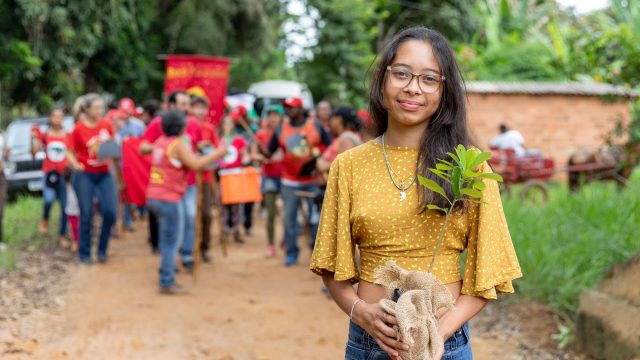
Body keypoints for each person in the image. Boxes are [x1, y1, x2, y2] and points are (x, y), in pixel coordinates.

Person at [310, 27, 522, 360]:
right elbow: (331, 269)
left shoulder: (468, 168)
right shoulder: (349, 165)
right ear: (383, 79)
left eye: (429, 79)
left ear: (444, 90)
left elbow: (488, 276)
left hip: (443, 346)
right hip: (370, 343)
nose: (413, 88)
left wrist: (440, 331)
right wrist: (359, 312)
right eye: (402, 74)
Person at [146, 110, 227, 294]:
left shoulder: (160, 142)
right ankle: (166, 280)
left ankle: (165, 271)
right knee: (171, 241)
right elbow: (196, 165)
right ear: (182, 127)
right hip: (169, 198)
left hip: (154, 196)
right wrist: (220, 152)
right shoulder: (178, 144)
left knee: (167, 239)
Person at [259, 96, 332, 266]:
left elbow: (330, 146)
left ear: (300, 109)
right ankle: (291, 252)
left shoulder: (315, 125)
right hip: (289, 181)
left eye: (292, 107)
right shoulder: (280, 129)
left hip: (313, 180)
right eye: (286, 107)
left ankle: (316, 252)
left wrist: (319, 159)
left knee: (316, 218)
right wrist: (262, 152)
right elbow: (270, 152)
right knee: (289, 219)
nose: (288, 110)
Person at [140, 90, 202, 270]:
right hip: (168, 186)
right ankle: (169, 264)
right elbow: (143, 147)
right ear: (172, 105)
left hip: (188, 183)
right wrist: (165, 149)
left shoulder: (192, 124)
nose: (187, 108)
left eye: (188, 104)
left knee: (189, 217)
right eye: (183, 104)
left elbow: (196, 148)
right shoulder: (160, 124)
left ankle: (187, 255)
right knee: (172, 226)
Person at [67, 93, 119, 264]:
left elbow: (111, 148)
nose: (100, 110)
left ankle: (102, 250)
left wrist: (112, 152)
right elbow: (70, 151)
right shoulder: (78, 129)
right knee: (87, 213)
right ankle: (85, 253)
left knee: (110, 211)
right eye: (96, 107)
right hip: (85, 175)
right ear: (87, 110)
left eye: (101, 107)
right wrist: (75, 164)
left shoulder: (106, 125)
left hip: (104, 174)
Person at [32, 107, 71, 247]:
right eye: (55, 116)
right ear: (50, 118)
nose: (57, 119)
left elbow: (71, 153)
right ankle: (45, 219)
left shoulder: (68, 135)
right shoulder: (46, 135)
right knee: (48, 200)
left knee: (65, 206)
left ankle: (62, 234)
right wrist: (35, 139)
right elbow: (34, 152)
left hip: (63, 175)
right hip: (49, 174)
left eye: (60, 116)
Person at [252, 104, 285, 257]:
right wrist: (262, 158)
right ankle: (271, 244)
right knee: (271, 212)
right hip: (269, 176)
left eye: (276, 115)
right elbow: (253, 154)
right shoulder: (260, 134)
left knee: (287, 213)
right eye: (270, 115)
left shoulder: (286, 132)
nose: (273, 118)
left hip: (286, 176)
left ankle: (286, 239)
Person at [190, 95, 219, 263]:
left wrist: (208, 147)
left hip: (206, 176)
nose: (200, 111)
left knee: (207, 214)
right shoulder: (185, 126)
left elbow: (216, 151)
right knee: (190, 215)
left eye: (203, 108)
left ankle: (205, 246)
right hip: (188, 178)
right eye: (197, 107)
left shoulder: (209, 128)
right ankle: (189, 247)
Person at [218, 115, 250, 244]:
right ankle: (224, 230)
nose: (227, 125)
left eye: (230, 123)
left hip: (236, 175)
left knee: (236, 206)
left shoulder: (238, 139)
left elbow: (244, 155)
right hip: (223, 174)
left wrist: (246, 159)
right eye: (225, 123)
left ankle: (237, 231)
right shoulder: (220, 140)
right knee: (223, 204)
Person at [316, 105, 363, 174]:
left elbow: (348, 165)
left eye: (332, 118)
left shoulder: (346, 138)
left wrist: (325, 166)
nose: (330, 122)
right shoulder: (346, 136)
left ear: (338, 119)